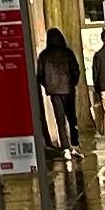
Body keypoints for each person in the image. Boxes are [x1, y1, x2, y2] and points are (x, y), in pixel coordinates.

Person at [36, 26, 84, 155]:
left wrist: (47, 86)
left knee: (60, 119)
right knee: (72, 117)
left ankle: (65, 146)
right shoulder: (67, 53)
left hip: (54, 91)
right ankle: (75, 142)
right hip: (68, 88)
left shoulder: (44, 55)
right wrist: (73, 82)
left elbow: (40, 74)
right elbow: (75, 69)